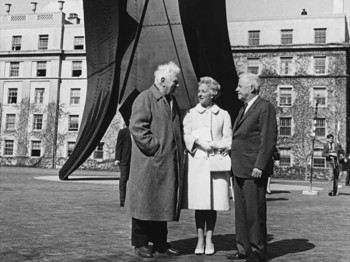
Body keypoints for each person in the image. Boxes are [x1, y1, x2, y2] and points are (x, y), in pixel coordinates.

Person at [126, 61, 184, 258]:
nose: (177, 85)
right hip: (149, 163)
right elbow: (137, 127)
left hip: (165, 164)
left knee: (162, 204)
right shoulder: (145, 98)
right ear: (162, 80)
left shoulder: (171, 100)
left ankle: (160, 242)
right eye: (174, 82)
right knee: (144, 204)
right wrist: (155, 147)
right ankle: (140, 243)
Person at [227, 73, 277, 262]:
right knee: (241, 211)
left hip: (253, 169)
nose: (236, 89)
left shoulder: (265, 107)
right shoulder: (244, 109)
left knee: (255, 211)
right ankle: (244, 249)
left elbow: (268, 139)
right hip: (239, 167)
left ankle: (258, 250)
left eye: (240, 86)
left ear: (252, 88)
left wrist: (260, 165)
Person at [182, 77, 232, 256]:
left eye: (203, 91)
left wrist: (219, 145)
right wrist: (198, 141)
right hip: (197, 163)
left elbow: (228, 138)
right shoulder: (190, 113)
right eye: (199, 91)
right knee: (200, 205)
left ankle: (210, 239)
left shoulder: (223, 114)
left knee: (212, 204)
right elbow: (185, 134)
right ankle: (200, 239)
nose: (200, 94)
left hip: (215, 163)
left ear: (213, 93)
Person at [114, 124, 131, 207]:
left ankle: (132, 200)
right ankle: (122, 200)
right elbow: (119, 146)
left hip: (135, 161)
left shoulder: (139, 132)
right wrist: (117, 159)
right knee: (123, 179)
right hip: (124, 160)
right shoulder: (123, 132)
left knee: (133, 181)